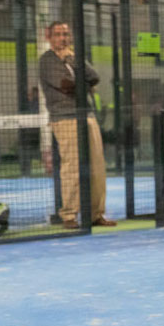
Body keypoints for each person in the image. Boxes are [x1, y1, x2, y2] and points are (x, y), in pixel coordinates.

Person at [39, 21, 116, 229]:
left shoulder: (74, 57)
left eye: (65, 34)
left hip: (87, 115)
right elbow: (65, 85)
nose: (62, 38)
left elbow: (94, 77)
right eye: (57, 34)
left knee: (97, 166)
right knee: (72, 166)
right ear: (49, 37)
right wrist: (86, 87)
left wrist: (72, 60)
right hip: (64, 118)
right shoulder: (47, 60)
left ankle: (96, 214)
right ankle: (69, 215)